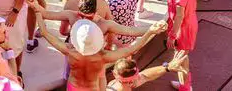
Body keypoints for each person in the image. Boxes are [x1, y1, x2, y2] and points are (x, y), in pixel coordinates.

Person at [35, 13, 166, 91]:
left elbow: (45, 33)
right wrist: (150, 32)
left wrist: (36, 11)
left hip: (73, 88)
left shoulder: (70, 52)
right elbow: (131, 49)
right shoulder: (103, 57)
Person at [164, 0, 199, 91]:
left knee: (180, 58)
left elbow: (179, 16)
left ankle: (186, 88)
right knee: (182, 57)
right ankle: (184, 85)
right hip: (185, 24)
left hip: (183, 28)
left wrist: (172, 36)